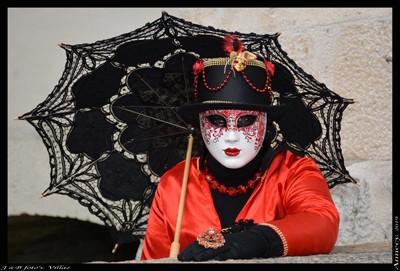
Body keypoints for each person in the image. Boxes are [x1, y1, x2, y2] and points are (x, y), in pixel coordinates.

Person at [140, 35, 340, 261]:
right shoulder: (175, 183)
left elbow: (322, 222)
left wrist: (259, 240)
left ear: (265, 123)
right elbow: (154, 258)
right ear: (201, 124)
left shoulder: (293, 172)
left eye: (246, 121)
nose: (232, 136)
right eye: (217, 121)